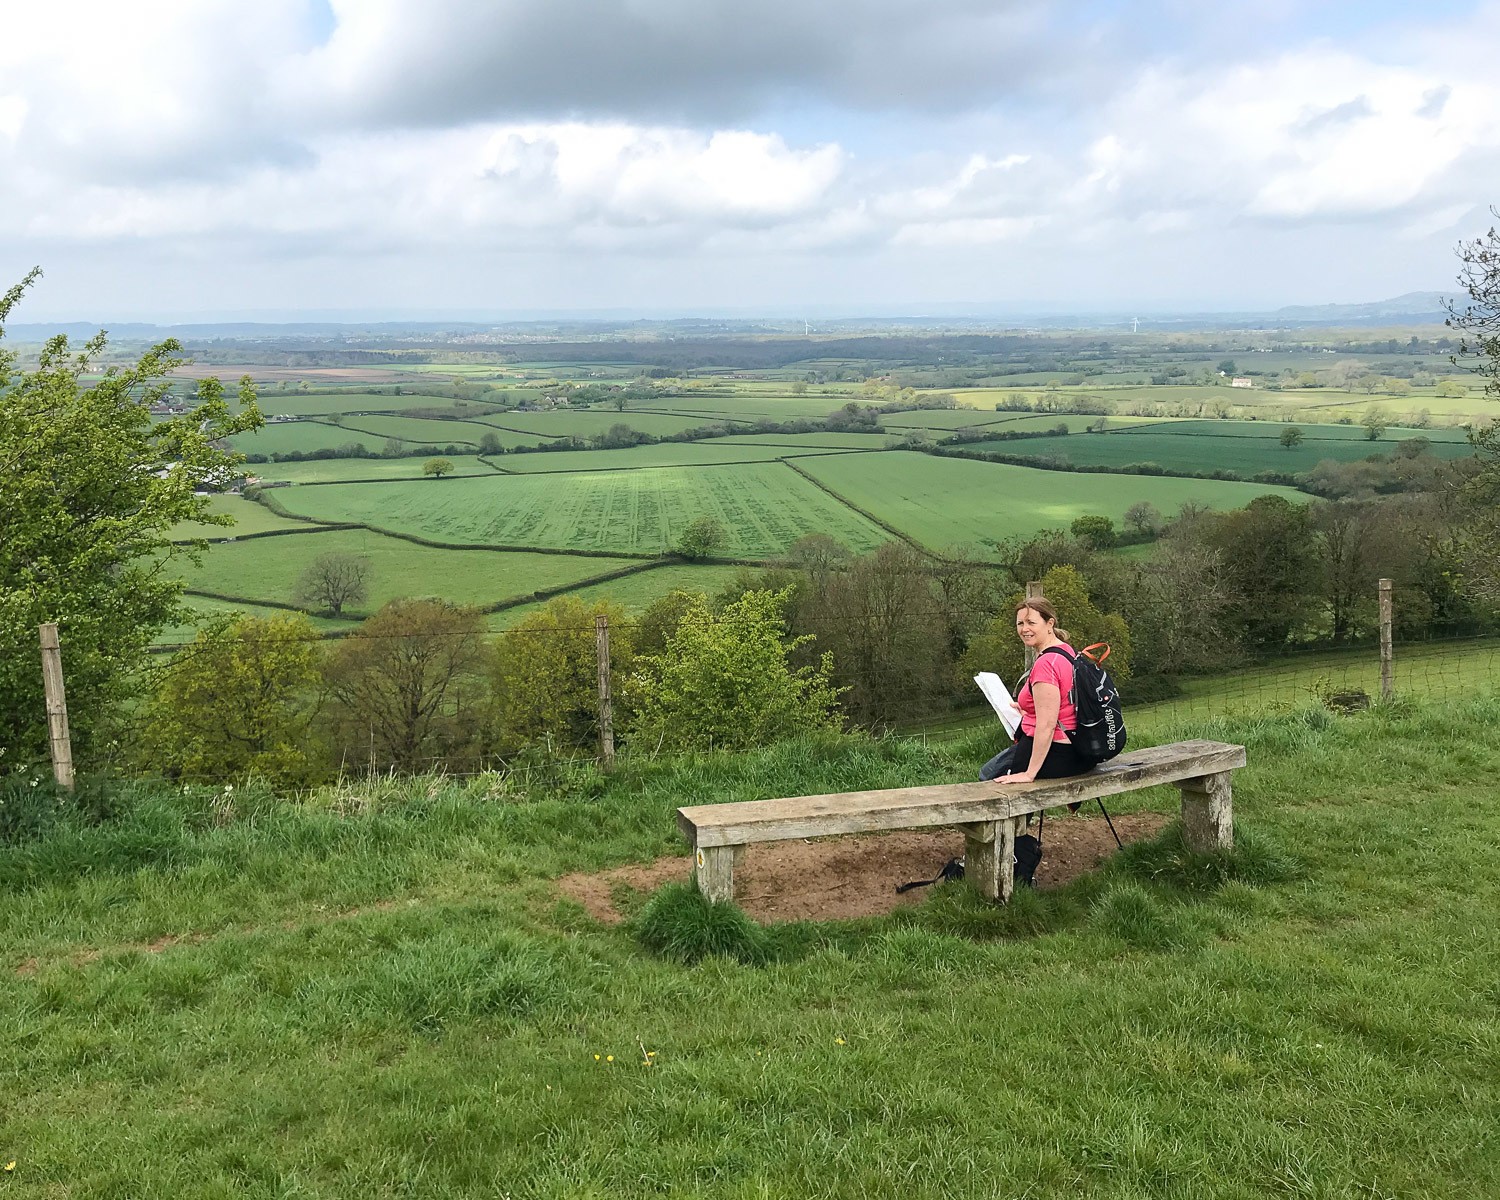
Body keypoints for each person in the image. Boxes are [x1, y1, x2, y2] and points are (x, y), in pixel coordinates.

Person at [985, 598, 1096, 785]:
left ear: (1049, 623)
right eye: (1020, 623)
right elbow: (1064, 704)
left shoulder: (1046, 663)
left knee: (989, 775)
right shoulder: (1066, 651)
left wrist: (1029, 774)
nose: (1024, 629)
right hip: (1081, 749)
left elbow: (1047, 725)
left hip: (1060, 753)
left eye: (1031, 622)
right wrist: (1028, 712)